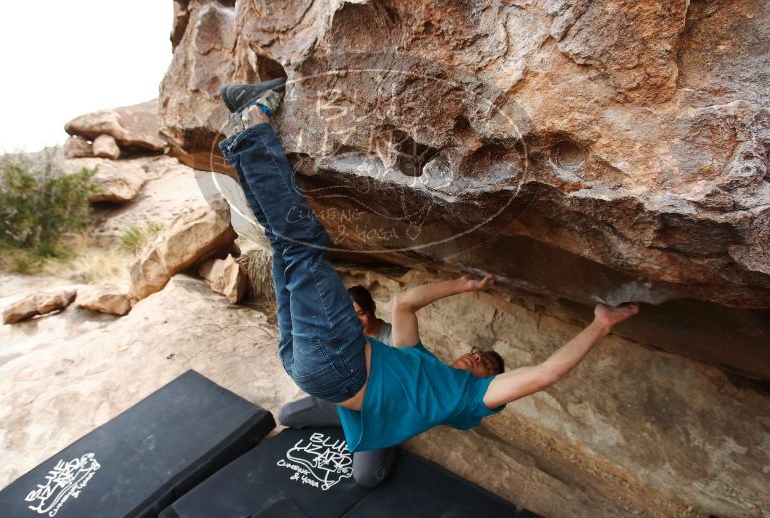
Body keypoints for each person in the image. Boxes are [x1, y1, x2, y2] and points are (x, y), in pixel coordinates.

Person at [217, 78, 639, 459]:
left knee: (303, 245)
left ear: (488, 389)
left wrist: (601, 324)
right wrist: (460, 283)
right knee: (287, 246)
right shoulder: (418, 365)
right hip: (309, 362)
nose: (478, 358)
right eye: (479, 354)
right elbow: (403, 305)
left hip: (337, 365)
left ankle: (253, 125)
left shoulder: (468, 400)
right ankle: (242, 137)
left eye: (487, 365)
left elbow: (546, 373)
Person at [278, 285, 395, 487]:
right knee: (286, 415)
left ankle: (392, 438)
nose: (357, 321)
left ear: (372, 308)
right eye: (350, 316)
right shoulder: (344, 334)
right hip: (344, 403)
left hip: (374, 413)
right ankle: (347, 425)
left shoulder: (393, 338)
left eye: (362, 313)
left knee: (366, 477)